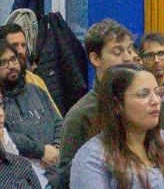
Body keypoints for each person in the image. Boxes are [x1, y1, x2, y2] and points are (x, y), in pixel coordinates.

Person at [58, 19, 141, 169]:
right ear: (96, 59)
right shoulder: (80, 116)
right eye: (117, 52)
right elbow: (66, 178)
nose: (128, 58)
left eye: (129, 50)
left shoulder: (145, 103)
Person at [0, 38, 61, 174]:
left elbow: (58, 122)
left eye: (13, 59)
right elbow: (0, 136)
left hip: (52, 168)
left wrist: (55, 148)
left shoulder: (36, 90)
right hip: (16, 174)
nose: (12, 66)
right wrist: (40, 151)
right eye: (3, 63)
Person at [0, 21, 57, 109]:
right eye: (14, 45)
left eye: (23, 45)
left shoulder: (36, 81)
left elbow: (55, 118)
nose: (21, 51)